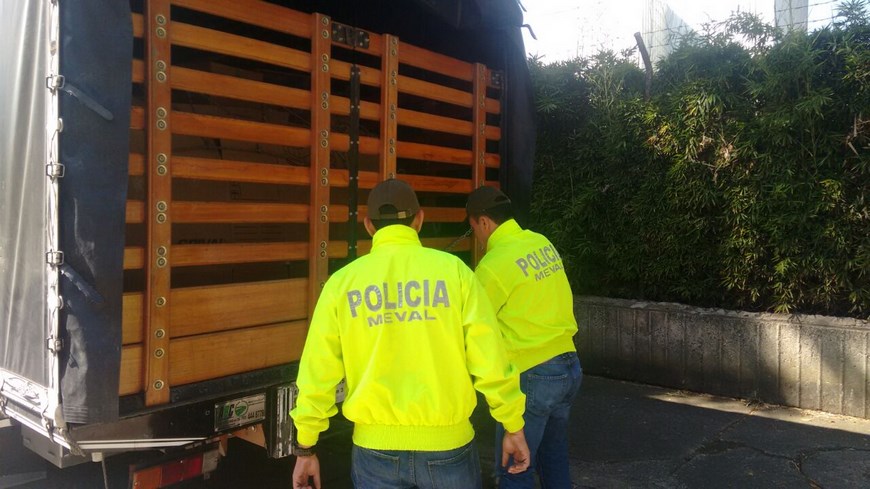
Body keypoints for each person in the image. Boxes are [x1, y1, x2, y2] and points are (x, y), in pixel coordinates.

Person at [290, 178, 531, 489]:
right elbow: (490, 359)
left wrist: (306, 445)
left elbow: (317, 373)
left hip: (374, 452)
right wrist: (513, 425)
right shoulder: (455, 273)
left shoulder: (342, 284)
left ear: (368, 226)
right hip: (450, 448)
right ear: (419, 220)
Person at [466, 186, 582, 489]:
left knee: (515, 466)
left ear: (483, 223)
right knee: (552, 457)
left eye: (474, 228)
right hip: (569, 368)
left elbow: (471, 326)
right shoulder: (540, 242)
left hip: (534, 377)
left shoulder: (493, 266)